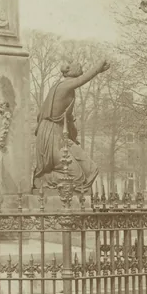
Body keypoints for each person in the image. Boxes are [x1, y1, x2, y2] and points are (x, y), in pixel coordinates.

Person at [33, 59, 110, 193]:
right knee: (77, 177)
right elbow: (83, 79)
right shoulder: (64, 86)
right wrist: (99, 66)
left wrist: (73, 138)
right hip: (50, 134)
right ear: (70, 70)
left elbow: (67, 119)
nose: (81, 65)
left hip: (60, 136)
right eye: (77, 64)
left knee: (91, 169)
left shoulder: (65, 88)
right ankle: (43, 179)